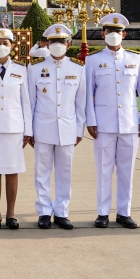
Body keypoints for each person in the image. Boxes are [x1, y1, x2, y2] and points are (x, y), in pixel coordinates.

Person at [85, 13, 140, 229]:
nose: (113, 34)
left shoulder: (135, 58)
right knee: (103, 170)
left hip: (130, 123)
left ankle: (124, 212)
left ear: (124, 34)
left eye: (117, 31)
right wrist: (90, 120)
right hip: (103, 124)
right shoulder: (92, 60)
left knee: (126, 170)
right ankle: (102, 213)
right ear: (103, 34)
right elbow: (88, 94)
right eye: (109, 31)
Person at [28, 24, 87, 230]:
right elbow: (31, 103)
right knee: (41, 172)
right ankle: (44, 210)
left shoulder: (78, 68)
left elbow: (81, 104)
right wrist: (30, 131)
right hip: (42, 128)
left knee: (65, 172)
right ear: (46, 43)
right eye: (53, 42)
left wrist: (80, 130)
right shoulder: (34, 68)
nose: (57, 45)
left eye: (61, 42)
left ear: (68, 44)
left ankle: (62, 211)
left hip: (68, 129)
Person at [0, 27, 32, 230]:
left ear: (12, 46)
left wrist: (28, 131)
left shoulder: (21, 70)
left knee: (12, 172)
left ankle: (11, 213)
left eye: (5, 43)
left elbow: (25, 102)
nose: (1, 47)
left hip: (14, 127)